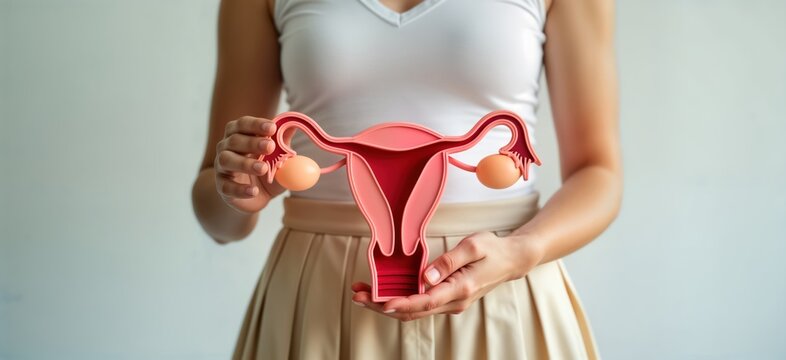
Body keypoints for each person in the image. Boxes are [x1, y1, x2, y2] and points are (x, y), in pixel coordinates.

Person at [191, 0, 621, 358]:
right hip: (319, 298)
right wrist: (238, 190)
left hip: (504, 290)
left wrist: (521, 253)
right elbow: (216, 211)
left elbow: (598, 173)